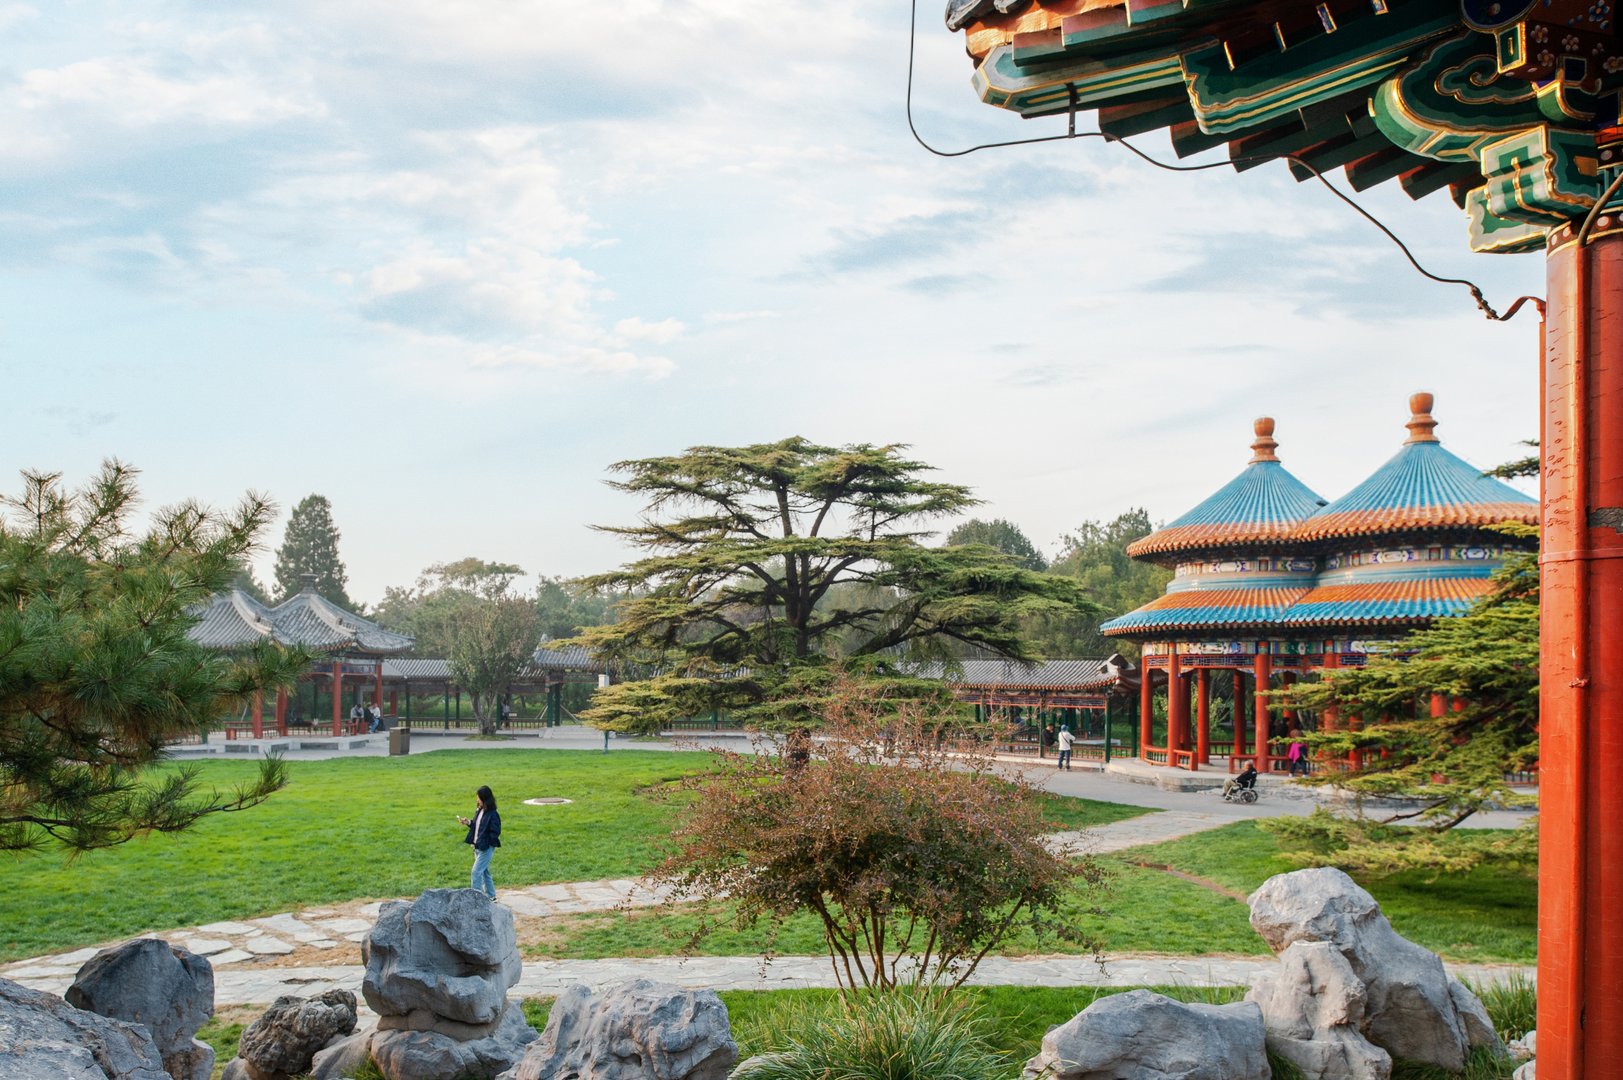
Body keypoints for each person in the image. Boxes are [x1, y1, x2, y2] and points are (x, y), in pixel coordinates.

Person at [458, 786, 501, 899]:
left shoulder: (493, 814)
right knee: (485, 872)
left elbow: (495, 832)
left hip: (485, 848)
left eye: (478, 798)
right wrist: (468, 822)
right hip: (477, 846)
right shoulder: (480, 811)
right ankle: (491, 896)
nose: (477, 800)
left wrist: (486, 844)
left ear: (484, 798)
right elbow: (477, 826)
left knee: (476, 872)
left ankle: (476, 900)